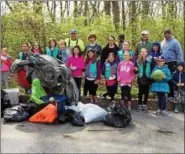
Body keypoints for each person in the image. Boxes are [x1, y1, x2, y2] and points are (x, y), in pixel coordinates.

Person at [161, 29, 184, 100]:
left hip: (173, 63)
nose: (166, 34)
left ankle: (172, 96)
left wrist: (181, 64)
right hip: (164, 63)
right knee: (165, 78)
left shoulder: (175, 42)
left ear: (170, 33)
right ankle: (167, 95)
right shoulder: (162, 42)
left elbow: (179, 53)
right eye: (165, 33)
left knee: (171, 79)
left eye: (168, 33)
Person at [136, 48, 152, 112]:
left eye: (145, 52)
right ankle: (140, 104)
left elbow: (153, 67)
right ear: (140, 53)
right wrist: (135, 69)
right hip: (140, 78)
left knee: (146, 92)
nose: (143, 53)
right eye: (142, 52)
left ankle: (145, 104)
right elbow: (135, 69)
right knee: (140, 92)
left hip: (147, 78)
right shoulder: (138, 60)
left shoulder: (150, 60)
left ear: (147, 53)